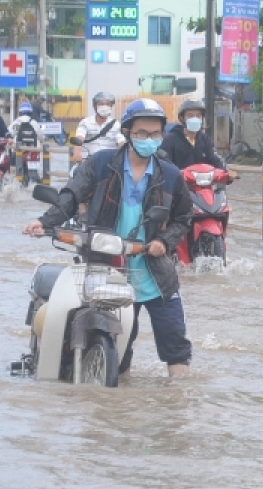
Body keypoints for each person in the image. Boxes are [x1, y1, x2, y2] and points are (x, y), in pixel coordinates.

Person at [22, 99, 195, 378]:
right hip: (108, 269)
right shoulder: (101, 164)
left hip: (155, 274)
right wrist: (45, 222)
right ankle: (115, 410)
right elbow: (72, 195)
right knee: (118, 347)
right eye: (141, 133)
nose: (148, 139)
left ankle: (176, 409)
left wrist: (164, 240)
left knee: (175, 344)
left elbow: (183, 218)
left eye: (155, 134)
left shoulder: (171, 175)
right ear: (126, 133)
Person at [160, 99, 237, 178]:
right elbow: (164, 164)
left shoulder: (205, 139)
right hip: (179, 186)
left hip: (203, 183)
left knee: (220, 189)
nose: (195, 119)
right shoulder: (170, 139)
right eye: (190, 115)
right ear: (182, 118)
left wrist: (226, 172)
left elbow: (214, 158)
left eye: (198, 115)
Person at [73, 91, 124, 163]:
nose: (105, 106)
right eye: (101, 104)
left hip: (108, 164)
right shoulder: (85, 122)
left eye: (108, 104)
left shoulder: (116, 124)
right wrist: (77, 154)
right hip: (88, 162)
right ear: (94, 106)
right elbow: (79, 138)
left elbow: (121, 141)